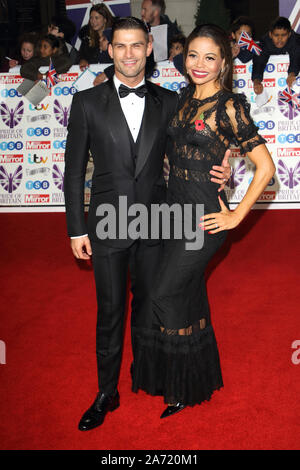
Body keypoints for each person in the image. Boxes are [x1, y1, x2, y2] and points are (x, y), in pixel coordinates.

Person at [64, 17, 231, 432]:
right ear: (109, 48)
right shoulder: (85, 103)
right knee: (110, 310)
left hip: (157, 221)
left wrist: (223, 172)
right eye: (120, 46)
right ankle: (106, 392)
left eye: (137, 46)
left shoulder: (171, 101)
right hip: (106, 223)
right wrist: (76, 228)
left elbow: (194, 152)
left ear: (149, 49)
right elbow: (71, 174)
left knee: (150, 307)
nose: (129, 54)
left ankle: (147, 375)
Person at [131, 24, 275, 418]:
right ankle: (190, 383)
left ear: (224, 63)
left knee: (163, 293)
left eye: (210, 57)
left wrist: (235, 217)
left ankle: (178, 385)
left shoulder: (230, 106)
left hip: (205, 219)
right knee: (186, 293)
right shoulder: (181, 100)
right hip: (171, 214)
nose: (199, 64)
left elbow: (265, 168)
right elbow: (172, 155)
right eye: (193, 54)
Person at [252, 16, 300, 94]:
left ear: (289, 34)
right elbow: (259, 62)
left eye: (283, 35)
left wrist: (292, 74)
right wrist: (256, 81)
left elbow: (296, 57)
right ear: (270, 34)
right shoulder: (264, 42)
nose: (280, 39)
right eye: (276, 35)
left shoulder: (296, 40)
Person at [78, 3, 114, 71]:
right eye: (91, 18)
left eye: (96, 18)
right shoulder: (87, 37)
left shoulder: (114, 36)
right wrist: (82, 60)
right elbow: (81, 55)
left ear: (105, 19)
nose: (93, 21)